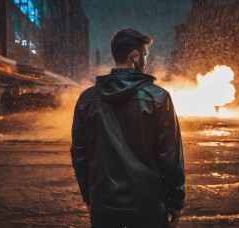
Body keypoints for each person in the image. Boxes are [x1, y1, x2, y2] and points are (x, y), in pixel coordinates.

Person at [70, 28, 185, 228]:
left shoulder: (87, 99)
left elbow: (80, 154)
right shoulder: (158, 98)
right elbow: (170, 156)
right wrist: (175, 201)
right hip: (147, 204)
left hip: (104, 203)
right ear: (135, 56)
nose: (146, 61)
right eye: (145, 55)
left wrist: (89, 198)